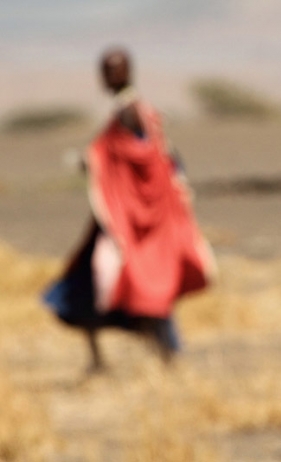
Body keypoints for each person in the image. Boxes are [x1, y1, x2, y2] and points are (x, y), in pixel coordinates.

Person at [43, 47, 214, 372]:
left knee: (142, 285)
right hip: (121, 217)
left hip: (134, 219)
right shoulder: (140, 111)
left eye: (113, 70)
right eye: (105, 70)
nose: (108, 77)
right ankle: (106, 361)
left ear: (125, 72)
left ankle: (168, 358)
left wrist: (90, 161)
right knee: (94, 285)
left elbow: (143, 159)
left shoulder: (131, 113)